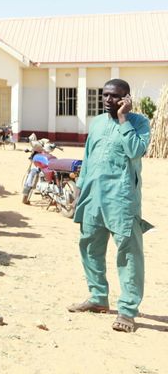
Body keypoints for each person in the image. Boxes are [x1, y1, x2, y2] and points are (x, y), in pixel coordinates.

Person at [68, 79, 152, 333]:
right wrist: (78, 192)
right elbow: (88, 157)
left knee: (128, 254)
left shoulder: (139, 123)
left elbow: (136, 150)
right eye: (105, 95)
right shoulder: (97, 123)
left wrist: (124, 119)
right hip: (93, 197)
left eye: (115, 96)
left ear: (126, 98)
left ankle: (127, 311)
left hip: (122, 200)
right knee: (90, 247)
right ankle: (97, 297)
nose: (108, 100)